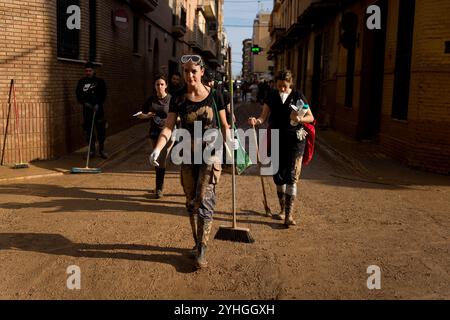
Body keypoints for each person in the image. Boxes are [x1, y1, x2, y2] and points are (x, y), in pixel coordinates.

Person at [149, 54, 234, 269]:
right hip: (187, 155)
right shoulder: (177, 97)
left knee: (205, 200)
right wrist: (158, 149)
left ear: (202, 72)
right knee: (190, 203)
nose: (189, 75)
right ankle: (197, 243)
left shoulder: (216, 96)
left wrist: (231, 148)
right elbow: (168, 126)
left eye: (193, 71)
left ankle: (202, 249)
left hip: (210, 154)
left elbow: (224, 125)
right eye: (186, 71)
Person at [248, 70, 314, 227]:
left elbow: (311, 117)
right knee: (278, 175)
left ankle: (289, 215)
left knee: (291, 176)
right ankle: (282, 210)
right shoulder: (271, 95)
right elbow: (263, 117)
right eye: (279, 86)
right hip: (276, 138)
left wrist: (300, 118)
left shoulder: (298, 96)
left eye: (284, 86)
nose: (282, 89)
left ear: (290, 83)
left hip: (295, 140)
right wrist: (256, 121)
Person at [137, 75, 173, 199]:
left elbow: (179, 116)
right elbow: (143, 113)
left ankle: (159, 188)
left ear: (166, 86)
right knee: (156, 160)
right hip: (154, 132)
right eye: (157, 84)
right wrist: (146, 116)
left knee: (161, 159)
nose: (159, 86)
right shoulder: (150, 99)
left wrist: (170, 119)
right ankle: (158, 185)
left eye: (162, 84)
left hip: (167, 132)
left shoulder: (171, 99)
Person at [76, 62, 108, 159]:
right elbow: (78, 95)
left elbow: (104, 94)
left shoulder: (100, 82)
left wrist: (98, 104)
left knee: (101, 130)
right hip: (87, 110)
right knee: (89, 131)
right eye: (86, 71)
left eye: (90, 71)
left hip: (98, 110)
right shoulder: (81, 82)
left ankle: (101, 150)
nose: (88, 72)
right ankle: (91, 151)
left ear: (93, 71)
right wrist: (86, 104)